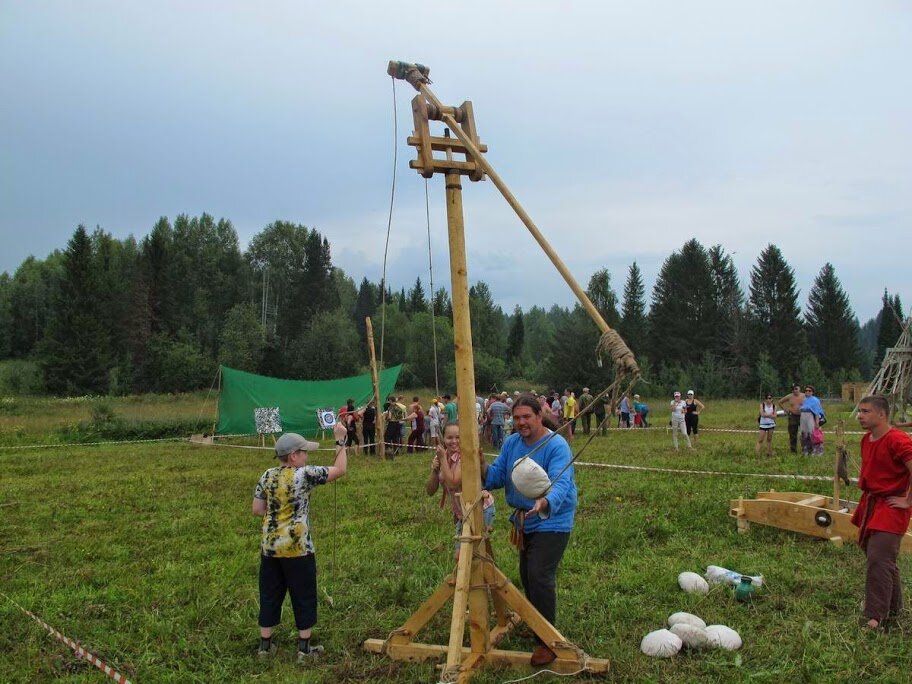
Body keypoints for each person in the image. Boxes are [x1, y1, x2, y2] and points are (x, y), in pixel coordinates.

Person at [482, 394, 577, 667]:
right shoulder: (512, 443)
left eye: (527, 417)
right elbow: (498, 475)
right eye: (517, 418)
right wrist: (479, 464)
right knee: (526, 576)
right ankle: (538, 626)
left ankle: (548, 642)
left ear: (539, 416)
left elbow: (561, 480)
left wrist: (546, 501)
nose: (521, 422)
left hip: (553, 520)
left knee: (538, 575)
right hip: (525, 521)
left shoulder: (556, 445)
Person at [252, 423, 348, 661]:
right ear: (294, 456)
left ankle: (265, 646)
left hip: (270, 549)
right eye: (304, 452)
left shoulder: (267, 475)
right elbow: (340, 470)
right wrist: (340, 441)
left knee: (270, 594)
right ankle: (304, 649)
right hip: (299, 550)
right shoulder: (304, 475)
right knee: (303, 595)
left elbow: (257, 509)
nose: (307, 456)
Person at [851, 395, 912, 630]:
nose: (860, 416)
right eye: (859, 411)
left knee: (879, 558)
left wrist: (908, 500)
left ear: (881, 414)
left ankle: (876, 616)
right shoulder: (867, 440)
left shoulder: (897, 439)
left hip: (892, 507)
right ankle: (894, 607)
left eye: (865, 411)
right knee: (882, 558)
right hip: (872, 504)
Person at [426, 422, 496, 559]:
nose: (454, 441)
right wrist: (435, 471)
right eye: (449, 438)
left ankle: (483, 576)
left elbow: (452, 483)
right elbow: (430, 490)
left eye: (458, 437)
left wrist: (442, 460)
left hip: (480, 508)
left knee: (471, 554)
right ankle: (486, 575)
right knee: (464, 556)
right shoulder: (443, 457)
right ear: (443, 439)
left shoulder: (465, 456)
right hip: (462, 512)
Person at [778, 384, 806, 454]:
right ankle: (793, 450)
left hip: (802, 416)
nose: (795, 390)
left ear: (799, 389)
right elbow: (780, 402)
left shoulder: (804, 396)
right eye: (793, 389)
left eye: (796, 389)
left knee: (804, 433)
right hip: (792, 416)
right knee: (793, 434)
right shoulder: (789, 396)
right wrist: (785, 409)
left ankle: (805, 449)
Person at [799, 385, 824, 456]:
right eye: (806, 390)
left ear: (812, 392)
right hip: (803, 417)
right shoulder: (804, 400)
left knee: (812, 434)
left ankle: (816, 450)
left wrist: (817, 423)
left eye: (809, 391)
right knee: (804, 434)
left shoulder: (815, 400)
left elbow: (816, 412)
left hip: (811, 418)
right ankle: (806, 450)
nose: (807, 392)